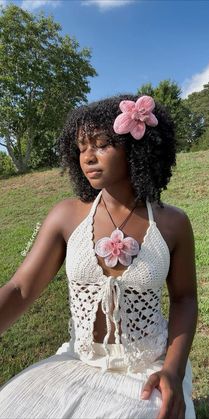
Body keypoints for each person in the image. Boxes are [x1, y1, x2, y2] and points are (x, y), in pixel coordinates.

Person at [0, 95, 198, 419]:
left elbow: (185, 299)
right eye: (81, 147)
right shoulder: (65, 216)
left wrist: (173, 372)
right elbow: (21, 288)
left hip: (146, 367)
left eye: (102, 144)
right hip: (79, 361)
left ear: (135, 148)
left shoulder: (173, 223)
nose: (88, 157)